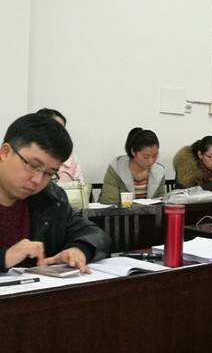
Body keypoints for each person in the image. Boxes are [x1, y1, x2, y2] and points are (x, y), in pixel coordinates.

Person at [0, 114, 110, 272]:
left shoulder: (51, 198)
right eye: (33, 166)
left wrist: (79, 250)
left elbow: (95, 234)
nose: (37, 180)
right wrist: (5, 257)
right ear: (5, 152)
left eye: (49, 173)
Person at [99, 128, 165, 204]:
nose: (151, 161)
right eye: (146, 157)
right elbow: (109, 203)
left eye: (155, 156)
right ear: (133, 152)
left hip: (150, 212)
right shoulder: (116, 168)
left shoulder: (159, 172)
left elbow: (160, 201)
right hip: (120, 211)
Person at [36, 108, 84, 182]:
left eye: (62, 129)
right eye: (55, 128)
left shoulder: (70, 157)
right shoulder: (28, 151)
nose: (59, 133)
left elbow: (80, 183)